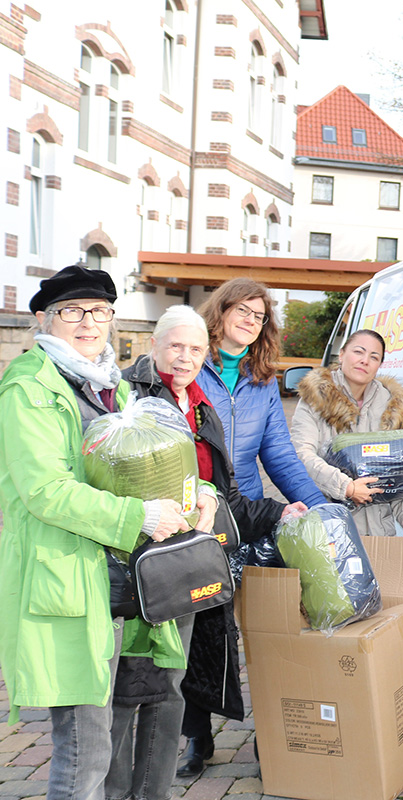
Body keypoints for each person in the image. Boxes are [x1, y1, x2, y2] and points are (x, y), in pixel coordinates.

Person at [0, 265, 190, 800]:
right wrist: (139, 518)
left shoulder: (110, 386)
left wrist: (189, 495)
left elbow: (143, 462)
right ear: (44, 319)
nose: (88, 323)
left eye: (100, 310)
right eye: (72, 311)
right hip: (68, 581)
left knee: (103, 738)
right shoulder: (31, 387)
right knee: (85, 753)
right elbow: (45, 491)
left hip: (115, 580)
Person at [109, 306, 303, 800]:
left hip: (191, 557)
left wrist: (278, 513)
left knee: (173, 680)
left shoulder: (200, 407)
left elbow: (227, 489)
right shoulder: (129, 397)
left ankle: (162, 774)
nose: (185, 358)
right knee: (127, 690)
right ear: (154, 346)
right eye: (176, 346)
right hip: (138, 562)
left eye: (194, 350)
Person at [179, 278, 324, 779]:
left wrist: (320, 506)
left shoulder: (262, 381)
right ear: (219, 313)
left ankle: (272, 735)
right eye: (242, 309)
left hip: (250, 517)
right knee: (200, 627)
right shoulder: (190, 367)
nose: (249, 320)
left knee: (268, 626)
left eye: (259, 315)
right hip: (196, 519)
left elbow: (279, 454)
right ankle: (196, 737)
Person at [291, 329, 403, 537]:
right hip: (331, 529)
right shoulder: (316, 399)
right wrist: (345, 487)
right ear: (341, 354)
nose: (365, 361)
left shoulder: (391, 406)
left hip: (380, 533)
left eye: (374, 357)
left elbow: (397, 475)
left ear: (379, 365)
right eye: (359, 352)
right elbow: (301, 455)